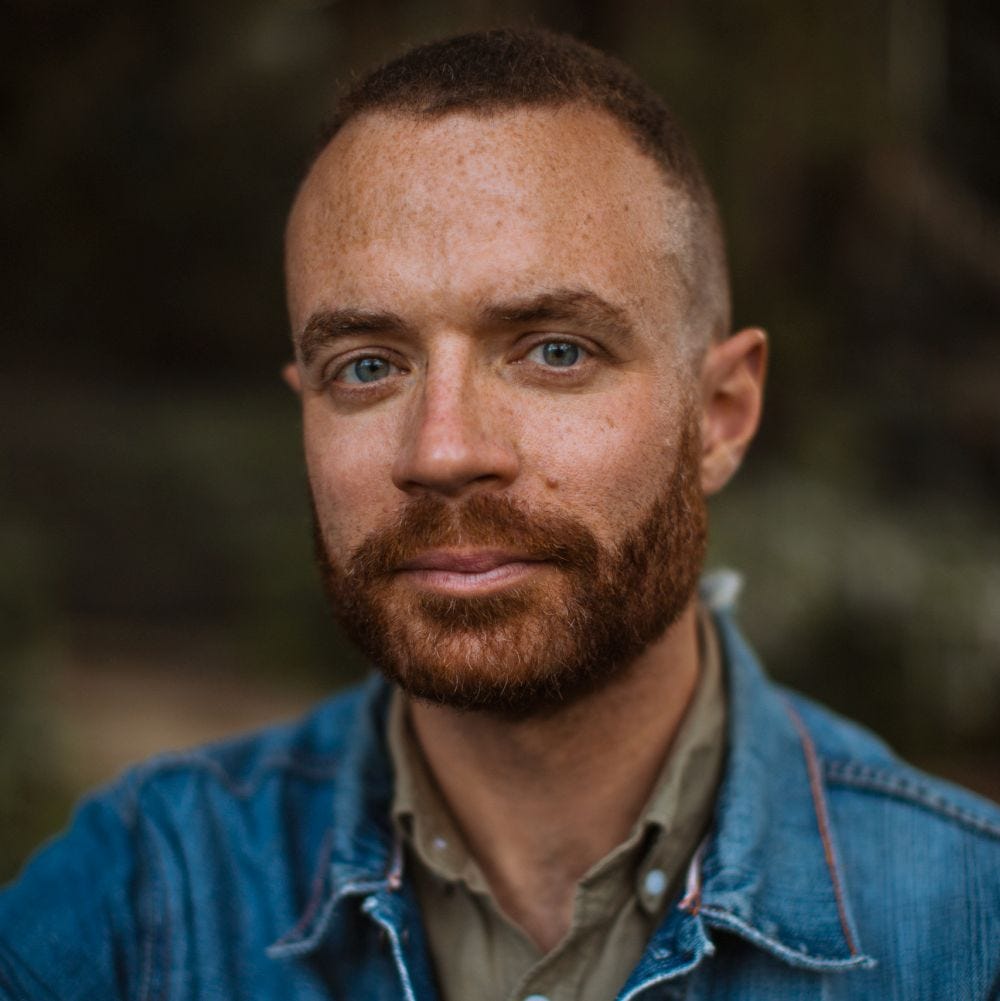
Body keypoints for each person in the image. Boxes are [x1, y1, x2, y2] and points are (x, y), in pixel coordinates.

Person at [2, 27, 998, 1001]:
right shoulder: (138, 903)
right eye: (367, 366)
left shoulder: (968, 931)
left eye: (556, 351)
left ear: (721, 414)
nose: (441, 453)